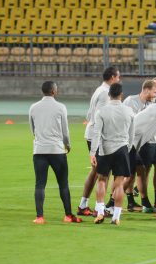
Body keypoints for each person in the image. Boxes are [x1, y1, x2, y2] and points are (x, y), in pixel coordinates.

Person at [29, 81, 82, 224]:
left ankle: (39, 217)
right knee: (63, 184)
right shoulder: (60, 107)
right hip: (56, 150)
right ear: (54, 91)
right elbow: (65, 130)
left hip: (39, 150)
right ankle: (68, 215)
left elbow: (32, 129)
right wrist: (67, 145)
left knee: (39, 184)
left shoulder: (33, 107)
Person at [77, 67, 120, 216]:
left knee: (96, 171)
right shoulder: (105, 93)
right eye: (118, 77)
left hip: (92, 132)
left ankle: (83, 205)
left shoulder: (99, 90)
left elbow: (89, 114)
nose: (119, 80)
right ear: (113, 77)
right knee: (103, 173)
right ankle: (98, 208)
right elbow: (99, 117)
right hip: (98, 135)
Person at [91, 83, 135, 225]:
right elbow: (132, 134)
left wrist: (93, 152)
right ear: (121, 94)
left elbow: (96, 133)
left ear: (109, 94)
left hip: (105, 150)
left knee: (102, 180)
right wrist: (126, 148)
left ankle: (100, 211)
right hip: (122, 148)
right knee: (119, 184)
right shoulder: (129, 111)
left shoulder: (102, 111)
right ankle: (116, 216)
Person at [122, 80, 156, 212]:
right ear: (147, 90)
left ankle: (141, 203)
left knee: (140, 170)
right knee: (128, 174)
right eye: (155, 91)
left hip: (137, 144)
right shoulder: (130, 101)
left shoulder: (151, 104)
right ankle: (112, 201)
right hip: (126, 143)